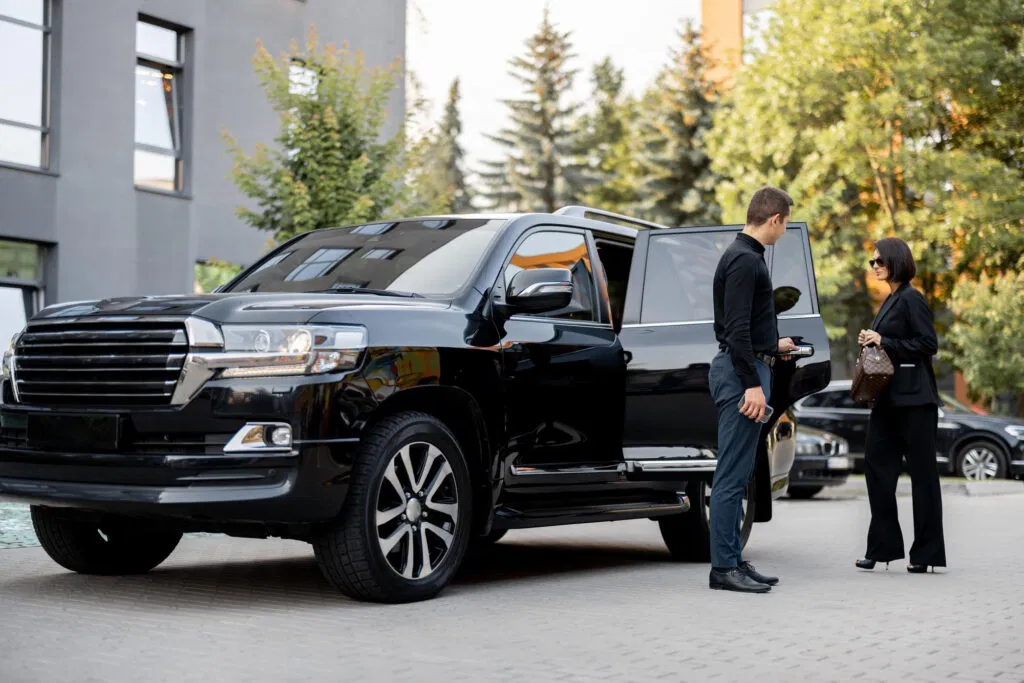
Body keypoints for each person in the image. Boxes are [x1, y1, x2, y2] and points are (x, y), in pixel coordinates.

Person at [708, 186, 799, 593]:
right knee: (731, 475)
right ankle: (723, 568)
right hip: (741, 375)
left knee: (742, 471)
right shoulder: (745, 261)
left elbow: (746, 327)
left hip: (749, 364)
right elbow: (735, 329)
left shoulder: (743, 256)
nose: (784, 231)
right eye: (786, 223)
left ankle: (734, 561)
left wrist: (771, 345)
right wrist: (751, 384)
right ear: (775, 219)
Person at [856, 238, 946, 573]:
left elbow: (928, 344)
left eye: (879, 261)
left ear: (895, 261)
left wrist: (885, 341)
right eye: (872, 262)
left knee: (923, 477)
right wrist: (872, 340)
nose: (875, 266)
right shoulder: (891, 300)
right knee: (877, 469)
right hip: (887, 400)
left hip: (916, 401)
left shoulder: (912, 298)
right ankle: (882, 548)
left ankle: (926, 554)